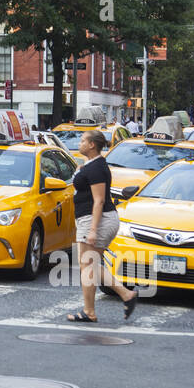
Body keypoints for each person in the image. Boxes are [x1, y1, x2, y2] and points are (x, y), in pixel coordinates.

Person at [66, 130, 138, 323]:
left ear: (91, 145)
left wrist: (92, 230)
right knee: (88, 265)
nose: (79, 143)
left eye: (83, 141)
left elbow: (99, 201)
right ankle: (111, 300)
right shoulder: (92, 165)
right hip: (90, 218)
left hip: (96, 219)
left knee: (87, 264)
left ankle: (99, 307)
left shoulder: (97, 167)